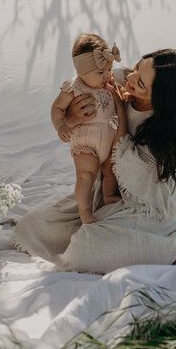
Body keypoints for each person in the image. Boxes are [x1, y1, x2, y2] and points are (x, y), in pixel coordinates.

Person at [12, 49, 176, 273]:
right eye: (137, 68)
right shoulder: (115, 80)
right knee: (33, 226)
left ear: (161, 100)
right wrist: (71, 119)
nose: (129, 78)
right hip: (106, 193)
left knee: (84, 250)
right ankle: (108, 230)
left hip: (145, 208)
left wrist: (119, 107)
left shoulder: (165, 131)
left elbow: (124, 160)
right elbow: (74, 102)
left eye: (141, 84)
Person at [50, 33, 122, 223]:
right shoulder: (74, 87)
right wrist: (61, 126)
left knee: (110, 170)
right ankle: (84, 211)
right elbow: (57, 108)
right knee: (85, 176)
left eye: (109, 69)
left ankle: (108, 198)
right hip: (85, 142)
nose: (106, 75)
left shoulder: (109, 84)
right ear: (82, 72)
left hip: (108, 140)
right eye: (100, 72)